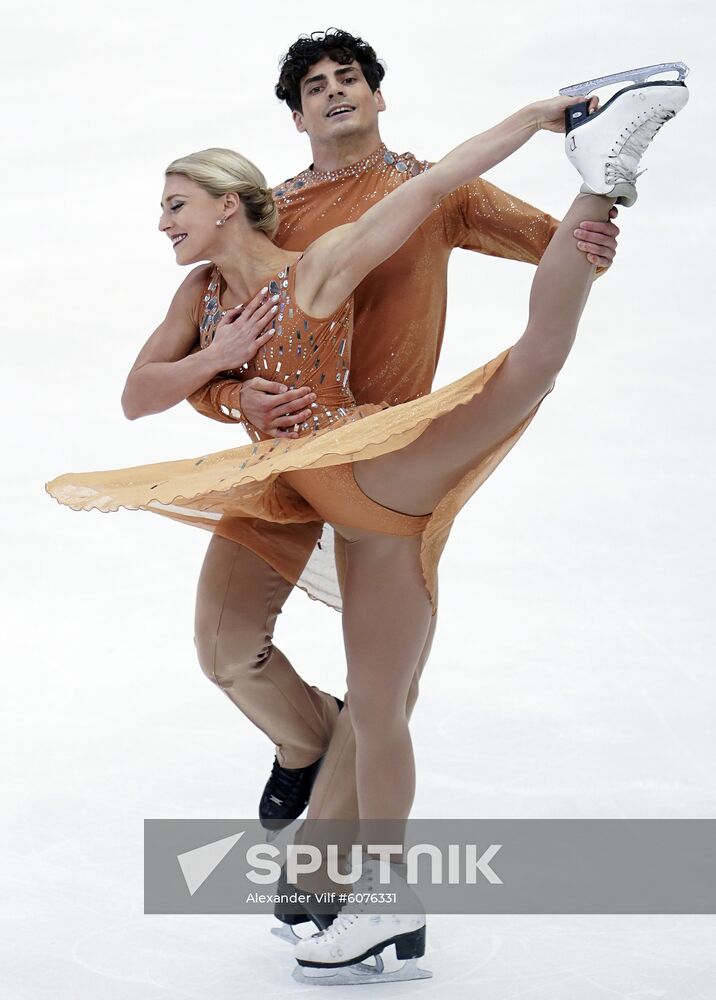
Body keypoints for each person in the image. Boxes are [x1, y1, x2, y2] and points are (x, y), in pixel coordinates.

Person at [46, 67, 688, 979]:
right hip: (338, 501)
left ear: (230, 207)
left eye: (176, 203)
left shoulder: (318, 265)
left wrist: (541, 116)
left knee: (530, 366)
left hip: (362, 464)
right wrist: (221, 369)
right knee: (380, 711)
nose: (162, 221)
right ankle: (381, 905)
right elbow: (135, 397)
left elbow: (432, 186)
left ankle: (605, 170)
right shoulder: (205, 299)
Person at [184, 30, 621, 843]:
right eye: (315, 86)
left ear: (379, 96)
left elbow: (561, 250)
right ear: (296, 115)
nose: (335, 91)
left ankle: (327, 876)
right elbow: (208, 350)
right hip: (284, 461)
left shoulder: (434, 189)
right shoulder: (271, 213)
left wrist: (588, 241)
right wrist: (236, 400)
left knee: (381, 683)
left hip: (392, 463)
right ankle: (303, 739)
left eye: (349, 78)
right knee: (224, 646)